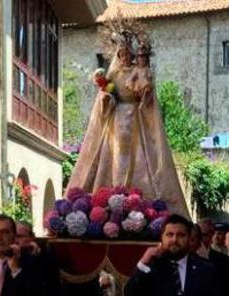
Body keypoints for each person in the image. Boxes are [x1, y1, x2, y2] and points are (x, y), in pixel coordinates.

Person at [66, 31, 189, 216]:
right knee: (112, 155)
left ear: (132, 55)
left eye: (127, 54)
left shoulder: (138, 71)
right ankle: (112, 193)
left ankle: (137, 195)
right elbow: (105, 97)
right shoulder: (113, 74)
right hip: (115, 120)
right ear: (118, 55)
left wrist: (145, 94)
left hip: (135, 119)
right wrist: (106, 98)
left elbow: (146, 97)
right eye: (121, 54)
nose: (125, 57)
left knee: (139, 156)